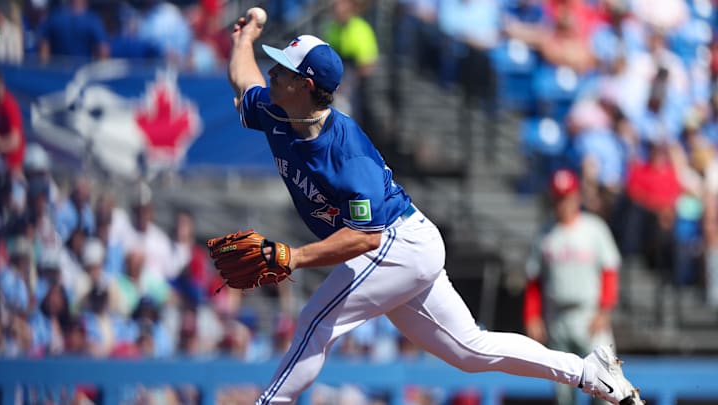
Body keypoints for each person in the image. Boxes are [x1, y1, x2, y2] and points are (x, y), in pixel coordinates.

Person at [225, 10, 643, 405]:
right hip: (403, 245)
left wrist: (294, 257)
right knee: (469, 351)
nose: (272, 73)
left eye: (282, 70)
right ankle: (589, 373)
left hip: (396, 242)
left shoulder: (347, 154)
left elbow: (365, 237)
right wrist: (245, 38)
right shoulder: (276, 109)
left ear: (306, 87)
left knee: (317, 321)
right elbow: (245, 83)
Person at [524, 169, 622, 405]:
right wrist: (532, 317)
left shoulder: (594, 228)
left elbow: (610, 271)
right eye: (558, 198)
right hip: (557, 317)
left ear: (576, 196)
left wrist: (604, 311)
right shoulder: (546, 233)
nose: (562, 203)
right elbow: (534, 279)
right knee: (562, 393)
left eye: (566, 197)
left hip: (588, 315)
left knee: (606, 386)